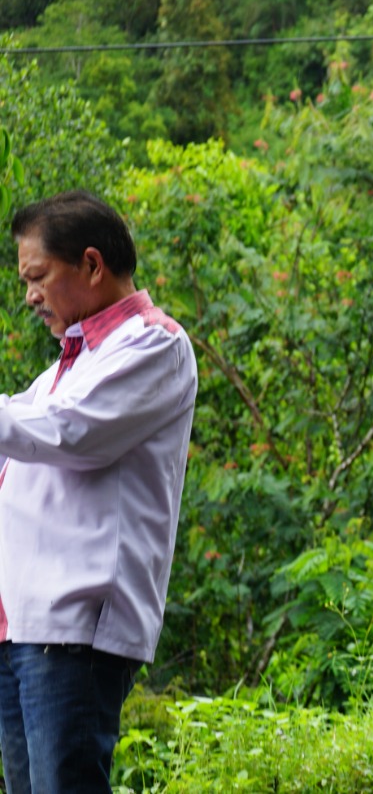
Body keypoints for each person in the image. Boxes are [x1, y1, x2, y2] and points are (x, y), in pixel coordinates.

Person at [0, 190, 198, 794]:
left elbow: (70, 433)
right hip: (24, 623)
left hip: (75, 624)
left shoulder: (154, 345)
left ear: (91, 264)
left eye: (37, 277)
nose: (29, 295)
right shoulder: (68, 365)